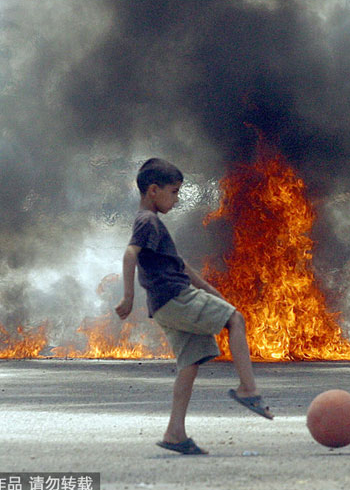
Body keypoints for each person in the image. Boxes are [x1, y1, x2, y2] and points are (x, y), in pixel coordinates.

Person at [115, 158, 273, 455]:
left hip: (165, 304)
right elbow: (129, 255)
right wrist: (128, 297)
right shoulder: (147, 221)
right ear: (153, 190)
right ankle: (248, 389)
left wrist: (212, 291)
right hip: (175, 297)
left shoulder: (153, 224)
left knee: (190, 363)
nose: (176, 199)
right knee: (236, 320)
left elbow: (181, 266)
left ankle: (175, 433)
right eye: (173, 192)